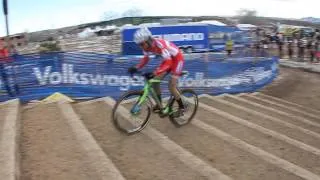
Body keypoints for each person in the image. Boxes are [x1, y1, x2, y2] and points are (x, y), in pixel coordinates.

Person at [128, 27, 185, 115]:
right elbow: (146, 59)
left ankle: (182, 107)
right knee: (154, 82)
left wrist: (154, 73)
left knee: (171, 86)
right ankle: (160, 105)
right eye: (139, 45)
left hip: (177, 60)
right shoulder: (146, 47)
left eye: (142, 44)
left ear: (148, 40)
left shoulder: (159, 44)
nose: (141, 47)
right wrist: (136, 67)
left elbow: (169, 63)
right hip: (168, 60)